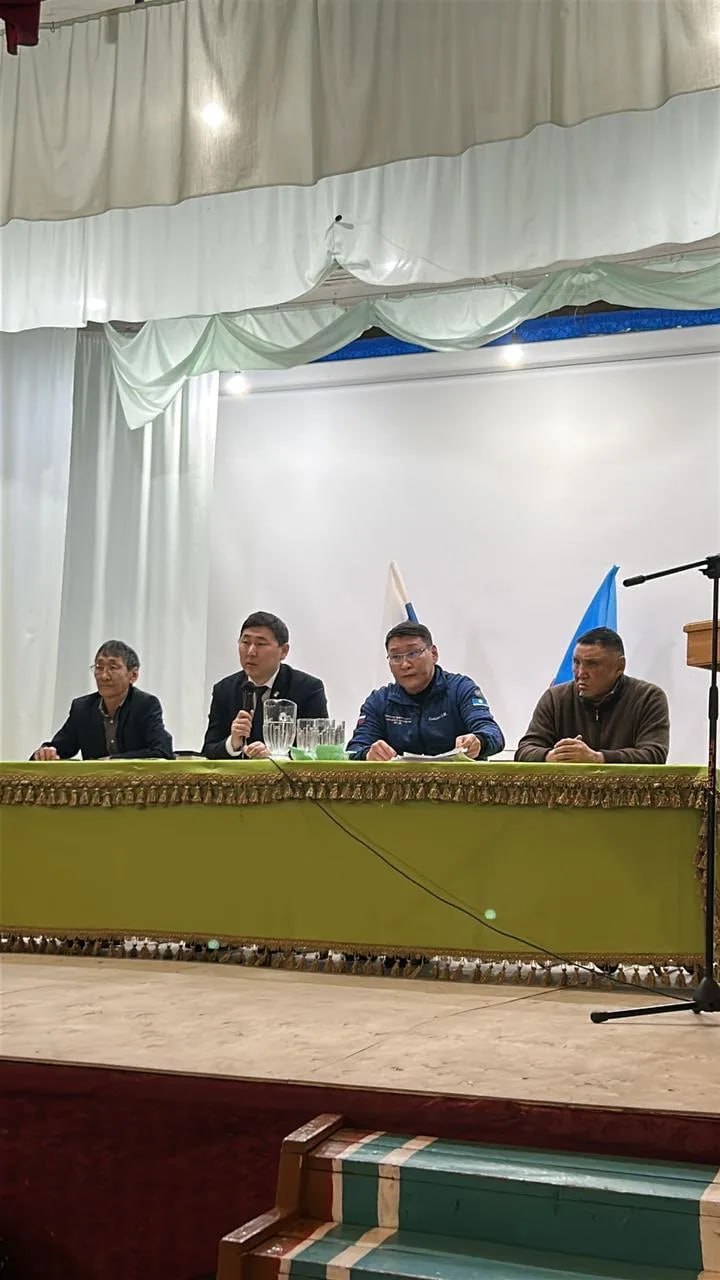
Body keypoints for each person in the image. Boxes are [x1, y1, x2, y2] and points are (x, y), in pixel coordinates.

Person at [347, 622, 504, 761]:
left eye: (413, 653)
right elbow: (354, 749)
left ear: (434, 654)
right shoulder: (379, 701)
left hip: (458, 782)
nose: (405, 664)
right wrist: (367, 754)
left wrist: (479, 741)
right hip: (400, 784)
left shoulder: (460, 689)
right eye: (396, 657)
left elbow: (493, 734)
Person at [515, 626, 669, 764]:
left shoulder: (648, 698)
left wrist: (598, 758)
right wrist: (552, 756)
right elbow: (524, 750)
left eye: (592, 664)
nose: (581, 673)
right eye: (576, 662)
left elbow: (654, 754)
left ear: (619, 667)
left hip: (626, 787)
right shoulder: (555, 698)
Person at [202, 611, 328, 758]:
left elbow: (319, 751)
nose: (251, 652)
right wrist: (232, 743)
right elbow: (208, 751)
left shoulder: (308, 689)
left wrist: (277, 755)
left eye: (260, 644)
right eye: (245, 642)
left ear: (284, 651)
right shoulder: (224, 690)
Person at [33, 640, 174, 760]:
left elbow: (162, 752)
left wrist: (110, 761)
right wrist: (46, 753)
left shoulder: (145, 705)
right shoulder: (82, 708)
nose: (104, 676)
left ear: (133, 675)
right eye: (99, 668)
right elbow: (60, 748)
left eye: (113, 667)